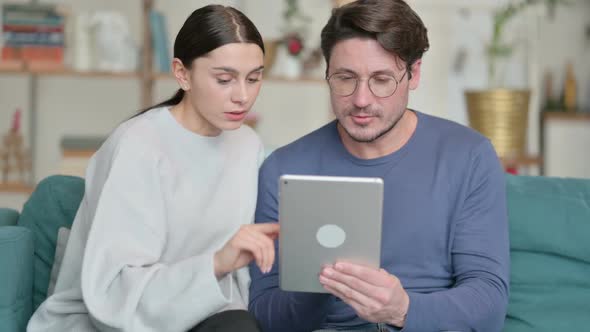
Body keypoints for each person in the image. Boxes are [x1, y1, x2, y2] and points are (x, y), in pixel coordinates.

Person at [249, 0, 510, 331]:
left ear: (413, 74)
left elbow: (488, 304)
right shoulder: (283, 168)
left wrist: (403, 309)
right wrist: (320, 282)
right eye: (345, 78)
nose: (361, 99)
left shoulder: (468, 156)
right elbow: (263, 314)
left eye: (381, 79)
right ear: (327, 72)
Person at [28, 5, 278, 332]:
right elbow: (114, 293)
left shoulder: (247, 145)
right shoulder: (139, 145)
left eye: (254, 78)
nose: (243, 96)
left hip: (204, 313)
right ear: (181, 73)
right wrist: (216, 263)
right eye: (224, 79)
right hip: (113, 319)